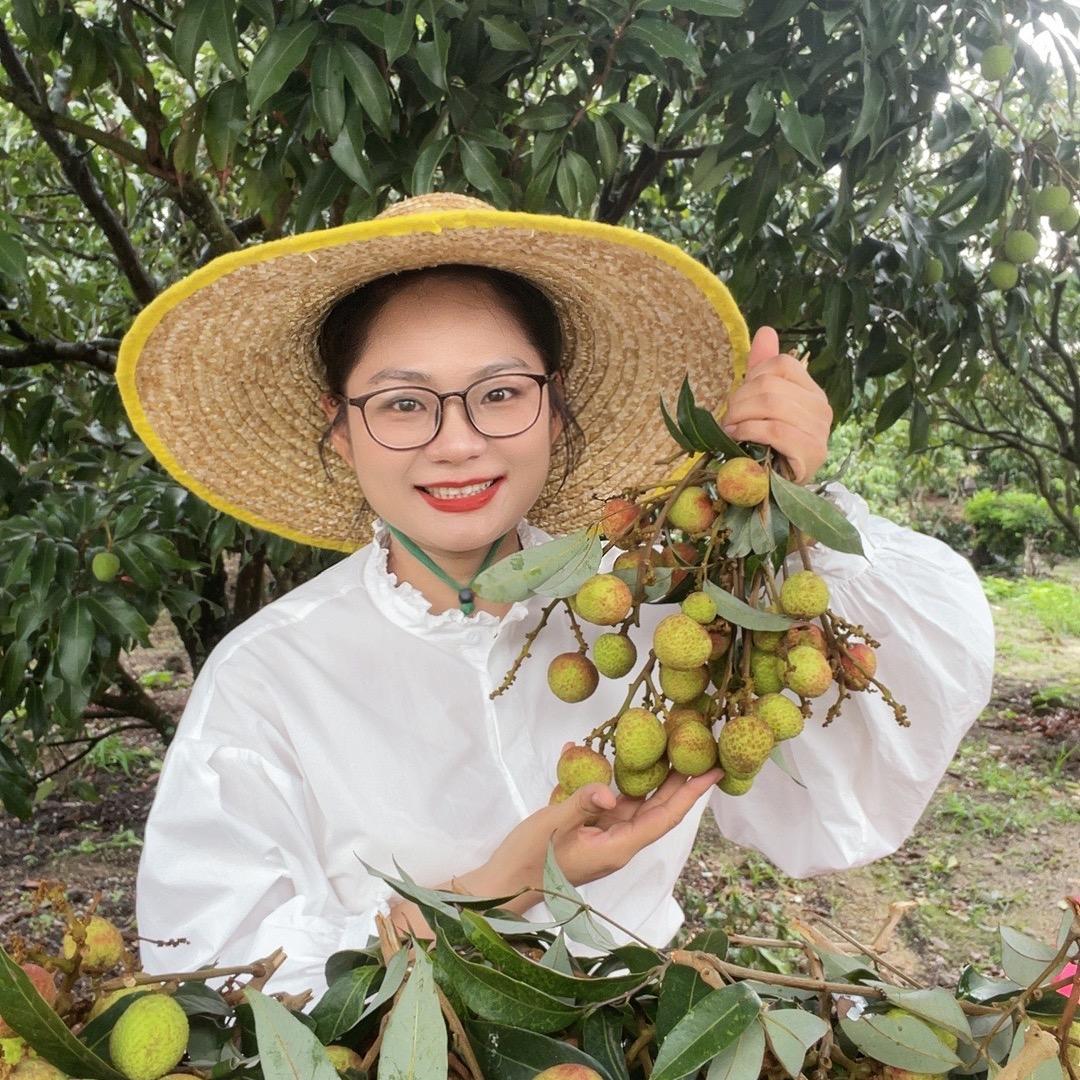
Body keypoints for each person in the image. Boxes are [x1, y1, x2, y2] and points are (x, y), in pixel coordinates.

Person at [121, 192, 994, 998]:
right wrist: (504, 889)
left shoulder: (662, 611)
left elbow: (851, 768)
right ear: (340, 431)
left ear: (554, 406)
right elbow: (218, 980)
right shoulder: (268, 674)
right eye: (400, 404)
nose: (457, 442)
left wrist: (788, 507)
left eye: (500, 393)